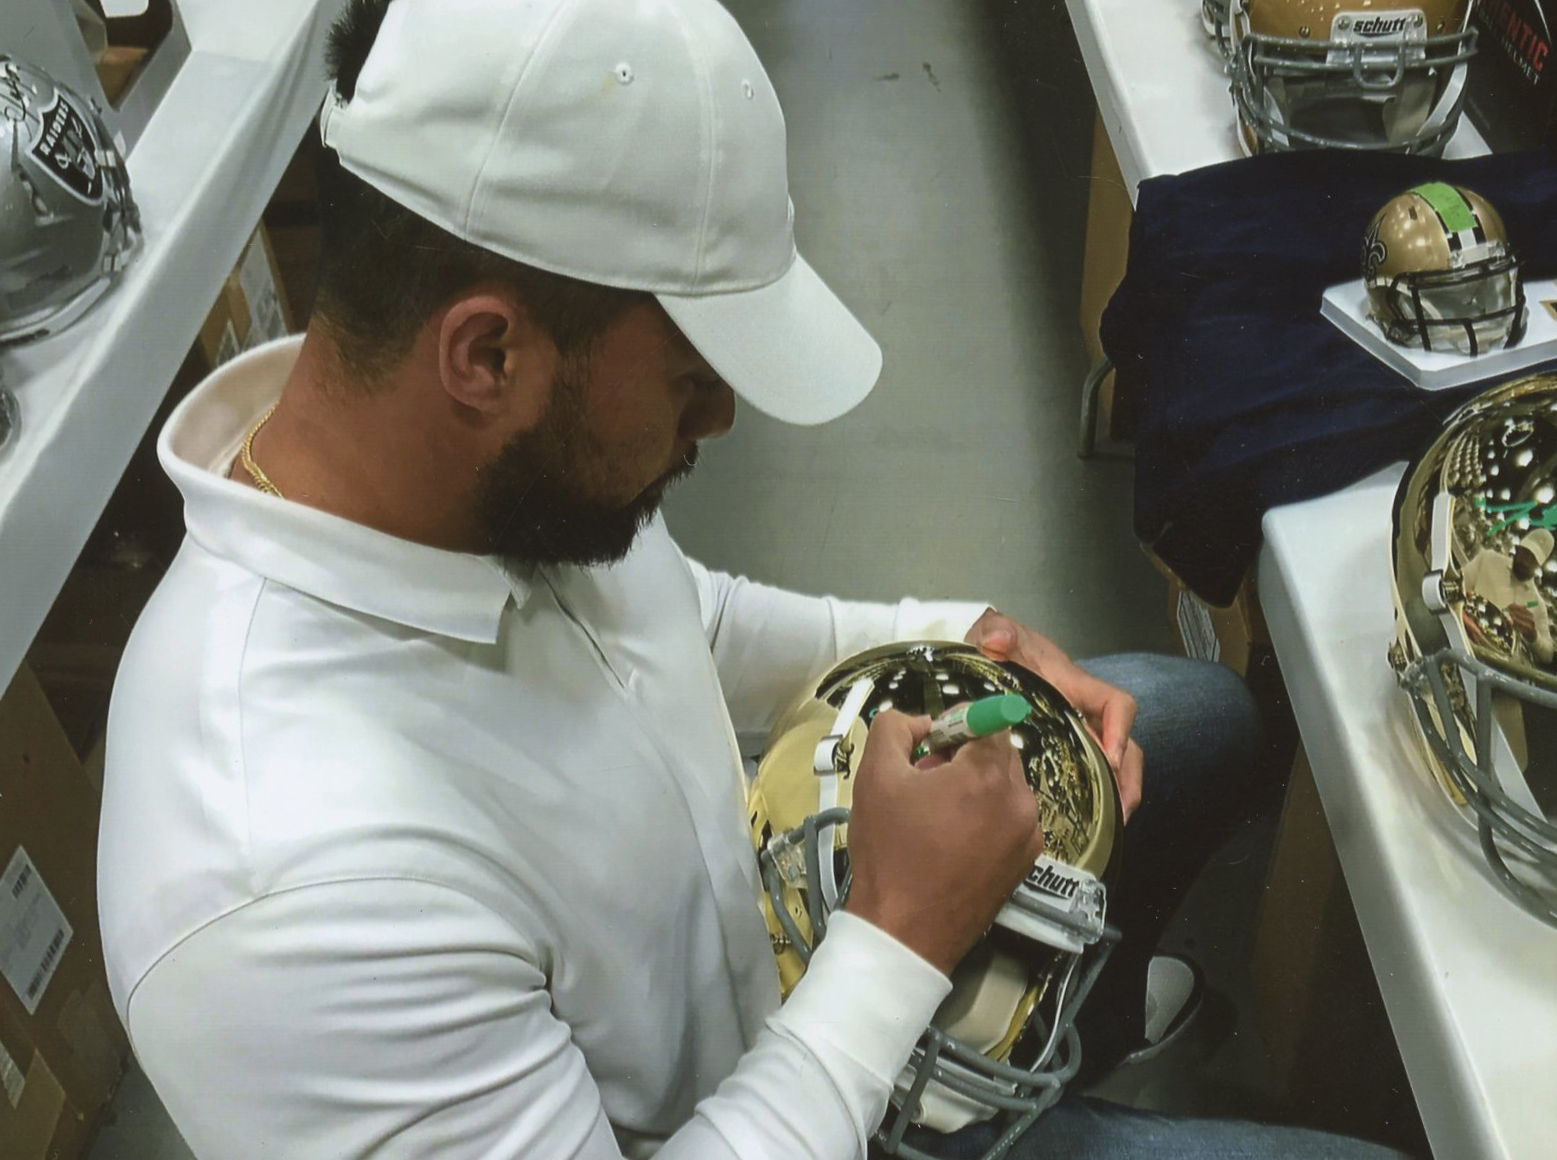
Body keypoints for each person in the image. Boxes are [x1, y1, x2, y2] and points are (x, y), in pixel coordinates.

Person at [97, 2, 1407, 1157]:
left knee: (1195, 720)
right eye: (690, 378)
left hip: (793, 975)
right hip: (781, 1092)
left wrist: (961, 632)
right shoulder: (286, 897)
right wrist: (901, 938)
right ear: (486, 355)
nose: (720, 417)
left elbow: (681, 619)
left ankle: (1071, 1018)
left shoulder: (463, 473)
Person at [1461, 529, 1556, 663]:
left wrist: (1533, 635)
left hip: (1491, 660)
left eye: (1533, 559)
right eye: (1525, 553)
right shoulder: (1488, 559)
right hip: (1462, 634)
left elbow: (1548, 654)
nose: (1526, 562)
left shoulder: (1537, 604)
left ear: (1539, 564)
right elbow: (1458, 583)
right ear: (1518, 548)